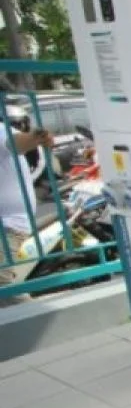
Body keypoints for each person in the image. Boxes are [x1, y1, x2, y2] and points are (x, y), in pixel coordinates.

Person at [1, 110, 52, 294]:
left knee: (1, 284)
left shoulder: (1, 131)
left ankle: (28, 311)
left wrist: (35, 137)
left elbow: (15, 143)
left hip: (8, 225)